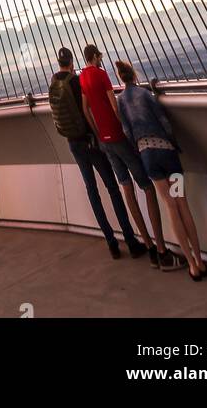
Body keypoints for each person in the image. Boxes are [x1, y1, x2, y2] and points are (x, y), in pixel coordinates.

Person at [79, 43, 179, 270]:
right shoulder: (101, 75)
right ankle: (161, 249)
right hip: (118, 138)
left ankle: (147, 246)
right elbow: (115, 107)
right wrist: (128, 133)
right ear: (95, 56)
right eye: (100, 56)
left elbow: (86, 109)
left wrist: (97, 132)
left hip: (105, 142)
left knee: (126, 189)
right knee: (147, 187)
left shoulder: (83, 78)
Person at [48, 46, 145, 261]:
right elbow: (88, 109)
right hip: (92, 142)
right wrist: (99, 134)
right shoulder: (76, 80)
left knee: (92, 190)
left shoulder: (54, 83)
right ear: (72, 62)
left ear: (58, 62)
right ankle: (131, 240)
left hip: (73, 144)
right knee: (113, 188)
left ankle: (111, 243)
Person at [116, 60, 207, 282]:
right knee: (182, 203)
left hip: (149, 158)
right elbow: (164, 123)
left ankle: (191, 265)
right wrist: (174, 144)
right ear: (134, 75)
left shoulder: (120, 101)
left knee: (170, 206)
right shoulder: (146, 95)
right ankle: (200, 260)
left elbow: (127, 130)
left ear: (121, 78)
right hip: (167, 155)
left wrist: (140, 149)